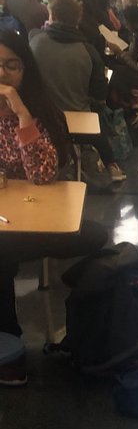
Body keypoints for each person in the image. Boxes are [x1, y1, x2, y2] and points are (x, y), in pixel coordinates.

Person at [0, 30, 107, 374]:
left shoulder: (40, 110)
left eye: (11, 66)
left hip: (36, 218)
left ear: (25, 69)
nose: (2, 74)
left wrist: (21, 116)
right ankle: (9, 345)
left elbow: (43, 174)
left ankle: (14, 347)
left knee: (94, 236)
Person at [29, 0, 126, 182]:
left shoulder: (34, 42)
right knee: (100, 121)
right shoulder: (88, 52)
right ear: (78, 19)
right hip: (79, 119)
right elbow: (99, 94)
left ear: (52, 17)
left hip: (40, 118)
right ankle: (111, 165)